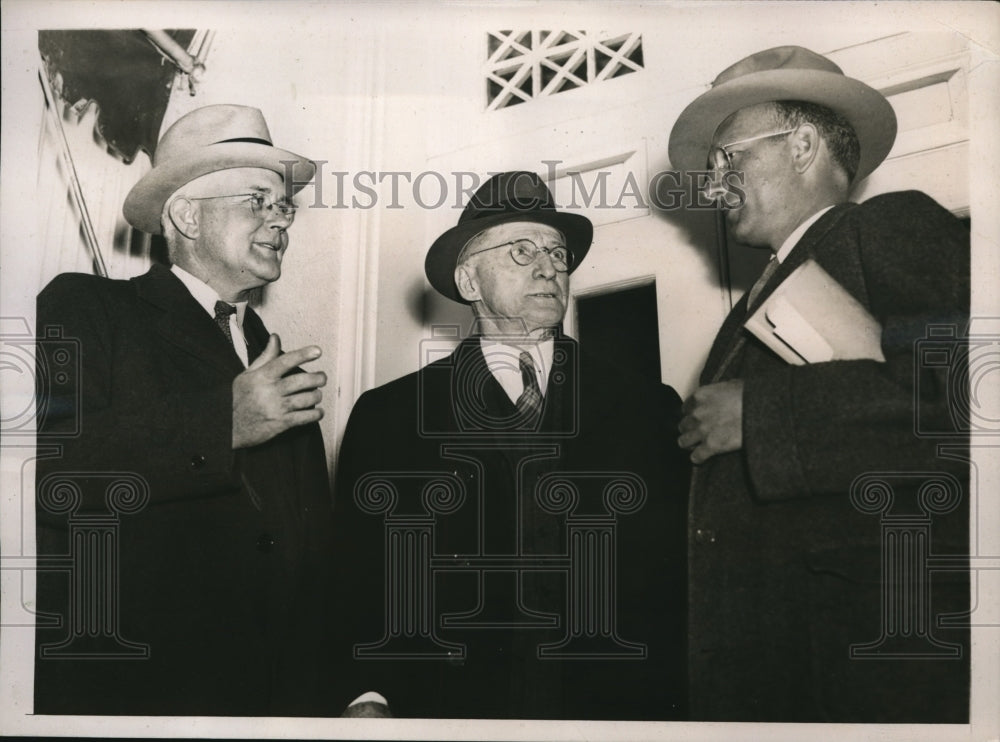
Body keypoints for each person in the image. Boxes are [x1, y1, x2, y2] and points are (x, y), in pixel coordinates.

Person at [668, 46, 970, 722]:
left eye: (728, 159)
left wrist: (767, 416)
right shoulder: (754, 303)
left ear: (802, 145)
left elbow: (968, 403)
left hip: (861, 671)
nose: (714, 186)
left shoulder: (887, 227)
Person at [332, 171, 690, 720]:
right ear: (470, 282)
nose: (549, 268)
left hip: (614, 710)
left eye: (558, 254)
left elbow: (676, 578)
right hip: (453, 711)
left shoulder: (648, 406)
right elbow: (358, 577)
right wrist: (367, 696)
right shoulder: (391, 416)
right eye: (522, 252)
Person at [34, 104, 336, 716]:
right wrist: (223, 425)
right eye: (257, 199)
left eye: (284, 206)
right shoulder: (86, 308)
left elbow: (313, 561)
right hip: (135, 697)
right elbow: (53, 480)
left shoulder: (283, 365)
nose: (280, 221)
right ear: (186, 216)